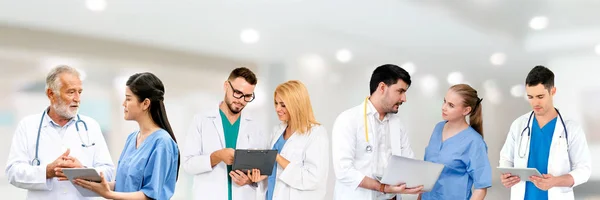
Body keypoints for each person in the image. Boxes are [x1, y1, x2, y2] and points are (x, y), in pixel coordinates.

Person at [5, 65, 115, 200]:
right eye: (71, 92)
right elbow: (13, 172)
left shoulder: (91, 126)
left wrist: (83, 170)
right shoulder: (27, 126)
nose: (77, 98)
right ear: (51, 94)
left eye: (79, 92)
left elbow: (108, 172)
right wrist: (47, 171)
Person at [73, 72, 180, 199]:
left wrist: (109, 194)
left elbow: (150, 195)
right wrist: (95, 183)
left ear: (145, 103)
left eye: (128, 99)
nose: (124, 103)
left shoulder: (162, 142)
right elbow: (123, 185)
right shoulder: (132, 138)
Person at [499, 65, 592, 200]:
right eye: (530, 97)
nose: (535, 102)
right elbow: (506, 159)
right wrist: (506, 176)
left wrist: (555, 181)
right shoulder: (519, 125)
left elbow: (584, 170)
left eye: (540, 96)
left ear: (553, 91)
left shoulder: (571, 128)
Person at [332, 64, 424, 200]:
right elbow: (343, 171)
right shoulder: (349, 119)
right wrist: (382, 188)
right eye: (400, 91)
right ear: (382, 87)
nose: (404, 99)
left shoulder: (397, 124)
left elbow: (407, 162)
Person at [181, 67, 268, 200]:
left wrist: (250, 180)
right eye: (238, 93)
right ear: (226, 86)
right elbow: (188, 164)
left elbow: (262, 171)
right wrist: (216, 156)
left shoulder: (255, 126)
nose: (241, 101)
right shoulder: (201, 120)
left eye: (247, 96)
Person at [250, 80, 329, 200]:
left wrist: (278, 157)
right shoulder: (278, 130)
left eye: (283, 105)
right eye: (276, 103)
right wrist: (262, 175)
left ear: (296, 104)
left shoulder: (316, 133)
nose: (277, 108)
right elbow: (273, 170)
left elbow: (313, 179)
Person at [418, 84, 491, 200]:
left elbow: (481, 188)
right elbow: (428, 171)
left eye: (451, 105)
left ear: (466, 110)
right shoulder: (438, 128)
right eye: (444, 101)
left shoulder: (475, 142)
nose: (444, 107)